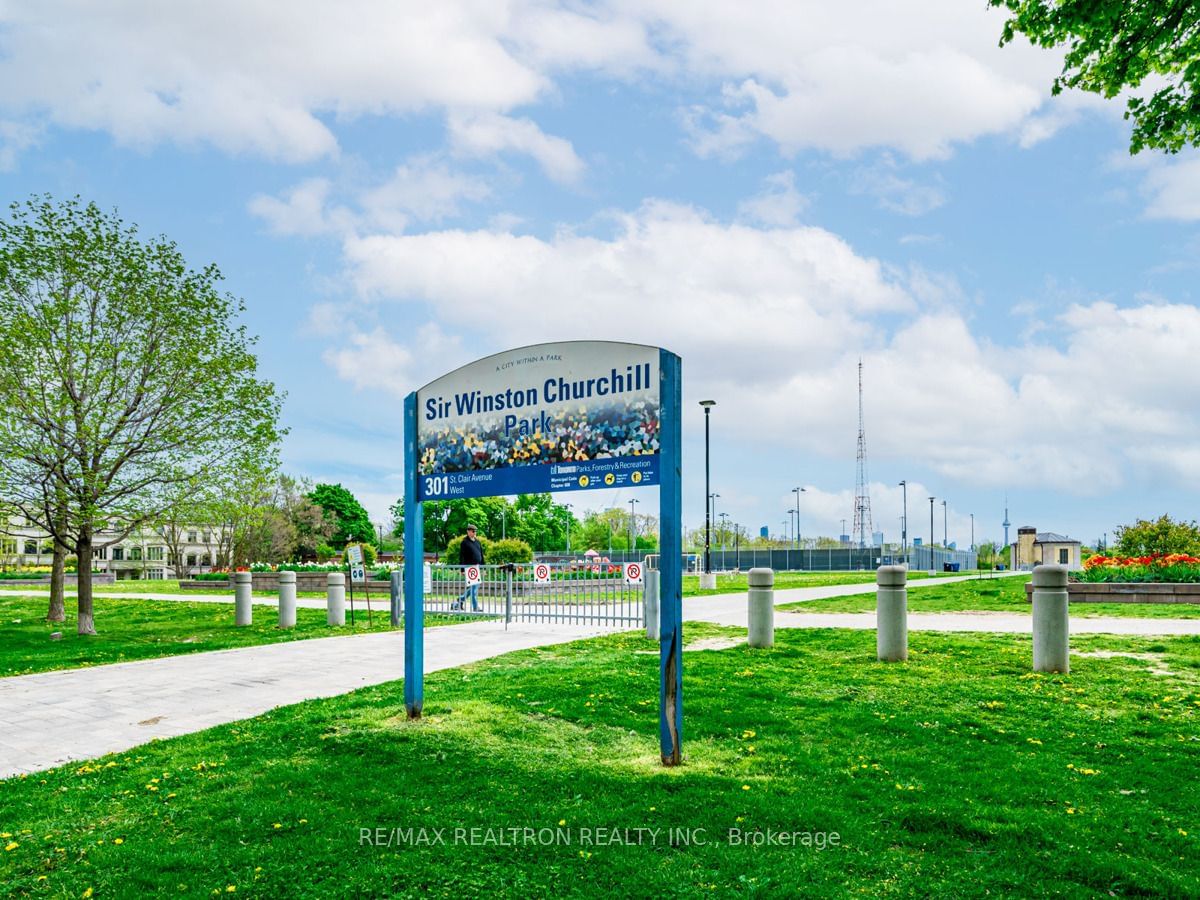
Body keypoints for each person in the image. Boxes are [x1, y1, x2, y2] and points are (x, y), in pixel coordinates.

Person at [451, 524, 484, 611]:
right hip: (469, 568)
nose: (474, 533)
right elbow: (462, 556)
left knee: (474, 588)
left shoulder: (477, 542)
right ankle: (475, 607)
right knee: (474, 589)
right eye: (473, 531)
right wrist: (462, 569)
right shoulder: (464, 542)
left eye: (475, 531)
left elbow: (481, 554)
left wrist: (483, 567)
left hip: (477, 567)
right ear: (468, 532)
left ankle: (460, 599)